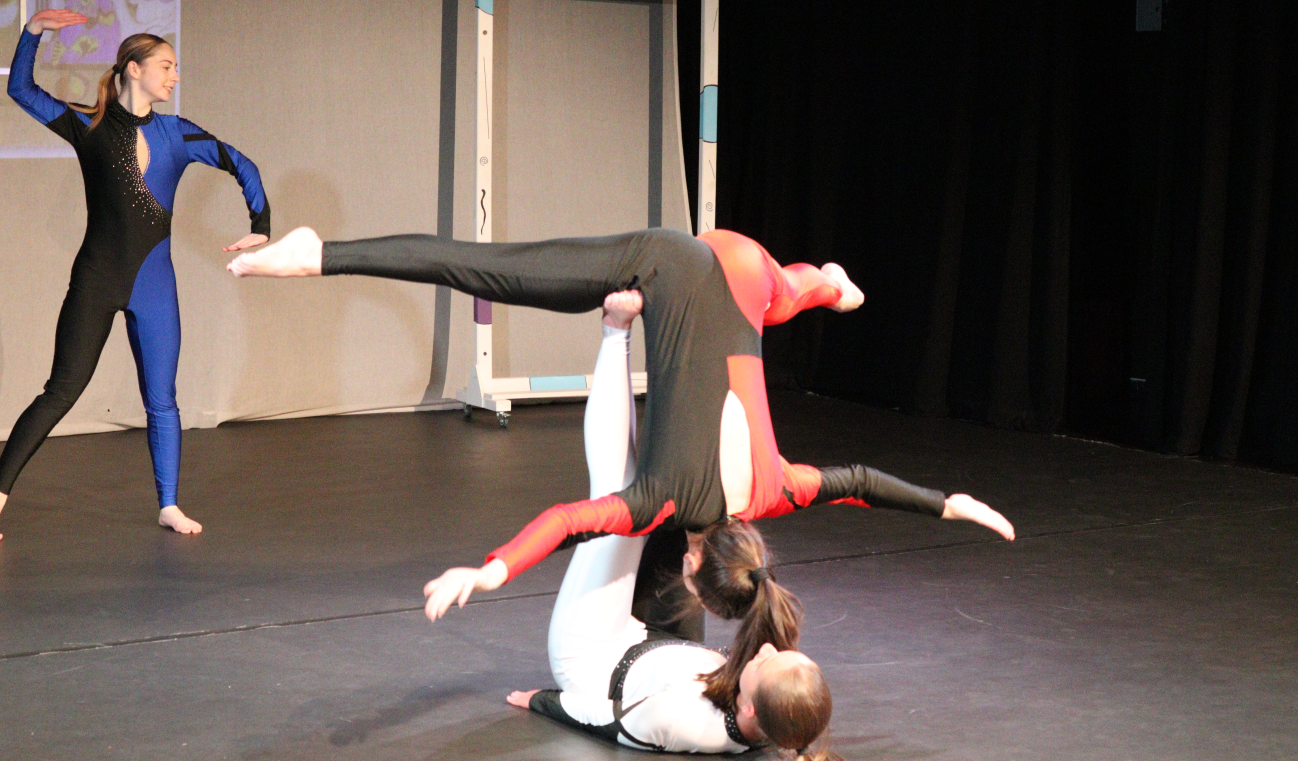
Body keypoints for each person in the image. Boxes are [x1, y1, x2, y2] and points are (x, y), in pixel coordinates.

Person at [224, 226, 1014, 619]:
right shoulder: (662, 499)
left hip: (746, 271)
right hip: (670, 262)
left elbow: (860, 482)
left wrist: (950, 503)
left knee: (786, 296)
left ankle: (829, 286)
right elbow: (566, 521)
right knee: (494, 273)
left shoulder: (779, 491)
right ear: (692, 566)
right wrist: (487, 572)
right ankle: (317, 253)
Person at [0, 9, 272, 542]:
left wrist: (261, 228)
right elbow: (20, 89)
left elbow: (242, 163)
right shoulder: (90, 125)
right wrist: (33, 31)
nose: (175, 75)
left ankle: (169, 504)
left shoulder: (179, 134)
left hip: (154, 285)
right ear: (134, 68)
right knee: (62, 390)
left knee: (163, 399)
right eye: (166, 66)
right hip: (97, 279)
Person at [505, 293, 839, 755]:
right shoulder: (773, 704)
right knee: (685, 508)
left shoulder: (686, 723)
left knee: (620, 497)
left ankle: (616, 330)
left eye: (766, 663)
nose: (768, 651)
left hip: (592, 653)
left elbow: (606, 719)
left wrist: (541, 701)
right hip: (657, 642)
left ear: (748, 710)